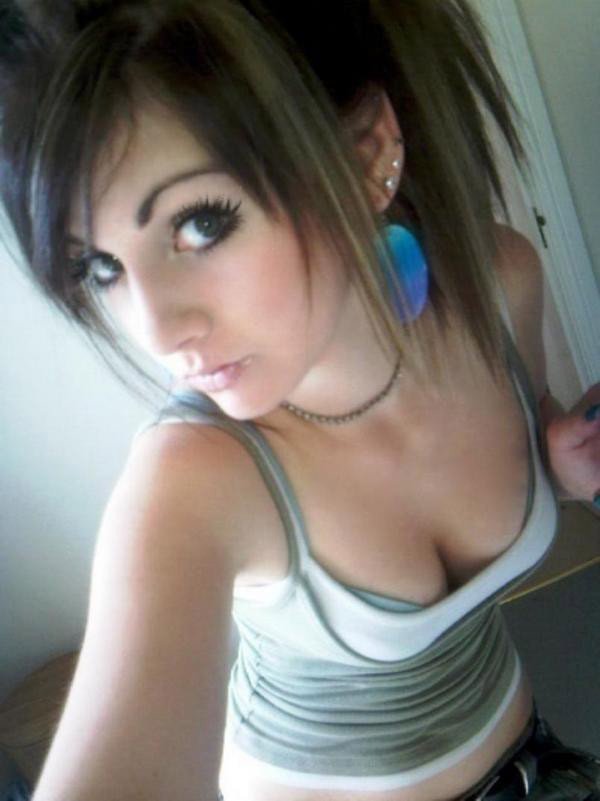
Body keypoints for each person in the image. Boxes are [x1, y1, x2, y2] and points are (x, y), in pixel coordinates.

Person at [1, 1, 599, 799]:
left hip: (533, 761)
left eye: (200, 225)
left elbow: (516, 442)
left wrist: (562, 459)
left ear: (366, 157)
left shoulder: (499, 285)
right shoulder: (191, 481)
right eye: (99, 268)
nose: (158, 329)